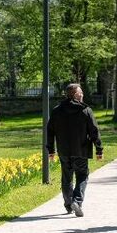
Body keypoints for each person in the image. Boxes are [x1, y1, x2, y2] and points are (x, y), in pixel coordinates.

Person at [45, 83, 103, 217]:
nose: (82, 95)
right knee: (82, 176)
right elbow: (94, 131)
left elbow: (50, 131)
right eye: (80, 93)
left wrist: (51, 150)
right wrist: (99, 149)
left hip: (64, 150)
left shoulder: (57, 110)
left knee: (66, 178)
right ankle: (76, 200)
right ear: (75, 95)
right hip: (81, 150)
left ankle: (69, 204)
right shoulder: (85, 110)